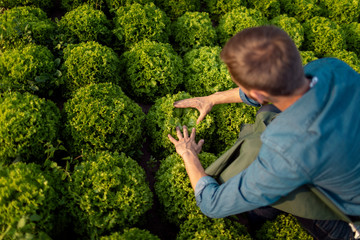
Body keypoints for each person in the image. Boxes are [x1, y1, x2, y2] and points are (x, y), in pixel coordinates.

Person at [167, 25, 360, 239]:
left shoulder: (286, 149)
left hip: (351, 217)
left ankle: (256, 214)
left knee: (264, 167)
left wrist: (188, 153)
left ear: (258, 93)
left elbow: (212, 204)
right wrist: (212, 98)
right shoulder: (331, 68)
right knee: (269, 113)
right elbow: (272, 90)